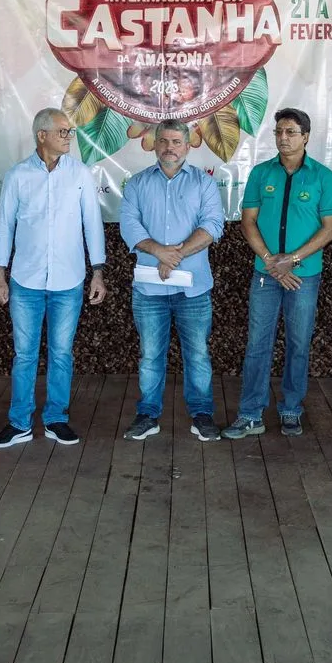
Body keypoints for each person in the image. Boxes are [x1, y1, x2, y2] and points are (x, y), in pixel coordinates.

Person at [0, 109, 107, 449]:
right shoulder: (18, 175)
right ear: (42, 135)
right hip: (25, 281)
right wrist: (0, 276)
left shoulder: (81, 173)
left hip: (69, 281)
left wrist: (98, 273)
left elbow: (92, 226)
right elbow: (5, 227)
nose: (70, 137)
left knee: (61, 354)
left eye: (69, 132)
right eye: (63, 131)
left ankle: (56, 420)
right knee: (24, 355)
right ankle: (19, 423)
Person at [225, 107, 332, 440]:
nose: (283, 138)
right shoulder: (262, 174)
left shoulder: (321, 176)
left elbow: (330, 229)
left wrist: (291, 259)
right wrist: (269, 260)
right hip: (265, 274)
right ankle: (250, 414)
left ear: (306, 136)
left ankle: (291, 409)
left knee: (298, 344)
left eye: (290, 132)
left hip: (303, 276)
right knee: (257, 345)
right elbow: (248, 222)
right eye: (278, 131)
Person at [119, 119, 225, 442]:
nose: (169, 148)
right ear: (154, 143)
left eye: (177, 142)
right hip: (150, 289)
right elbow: (129, 225)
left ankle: (202, 415)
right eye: (164, 141)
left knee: (197, 354)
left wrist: (174, 256)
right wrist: (158, 251)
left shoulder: (203, 184)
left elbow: (213, 225)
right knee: (150, 355)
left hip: (193, 289)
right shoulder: (137, 184)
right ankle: (148, 415)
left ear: (188, 145)